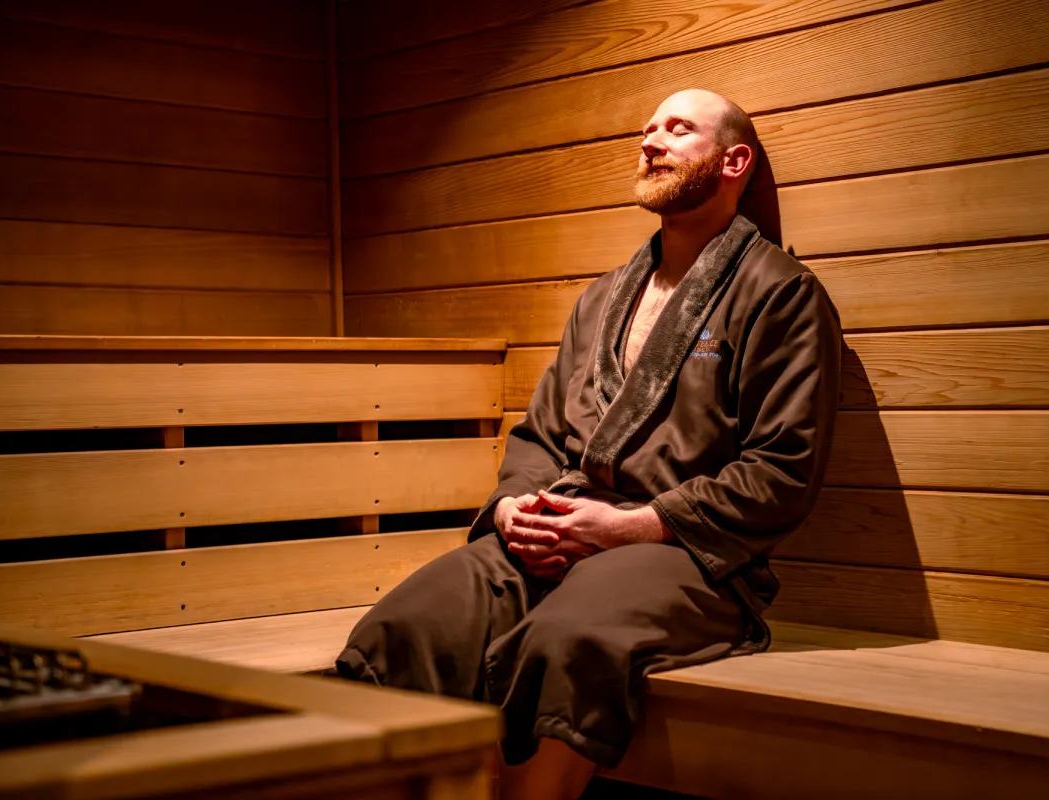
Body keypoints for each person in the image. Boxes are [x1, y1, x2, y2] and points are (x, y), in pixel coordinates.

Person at [337, 89, 842, 800]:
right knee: (412, 623)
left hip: (686, 555)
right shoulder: (603, 298)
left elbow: (781, 468)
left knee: (568, 637)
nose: (652, 141)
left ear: (734, 160)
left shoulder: (780, 294)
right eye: (646, 129)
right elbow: (541, 433)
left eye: (678, 128)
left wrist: (630, 525)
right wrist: (517, 507)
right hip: (562, 529)